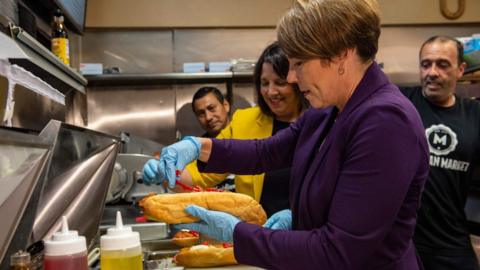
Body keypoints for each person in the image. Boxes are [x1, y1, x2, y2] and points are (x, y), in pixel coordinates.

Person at [145, 0, 429, 269]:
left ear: (342, 53)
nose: (292, 77)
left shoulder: (385, 122)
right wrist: (199, 147)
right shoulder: (328, 111)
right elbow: (266, 152)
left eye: (299, 63)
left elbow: (339, 251)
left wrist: (239, 234)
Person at [145, 42, 307, 217]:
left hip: (311, 234)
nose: (270, 91)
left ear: (297, 81)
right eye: (264, 83)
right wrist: (166, 170)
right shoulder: (244, 121)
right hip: (259, 234)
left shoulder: (321, 121)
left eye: (280, 82)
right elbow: (199, 175)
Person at [401, 36, 480, 270]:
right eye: (426, 64)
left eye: (442, 64)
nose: (432, 72)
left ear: (460, 70)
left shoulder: (475, 115)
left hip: (451, 243)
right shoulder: (401, 103)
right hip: (404, 242)